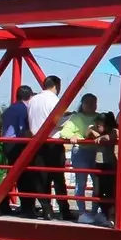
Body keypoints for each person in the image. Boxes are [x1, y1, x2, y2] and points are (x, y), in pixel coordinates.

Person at [26, 75, 73, 221]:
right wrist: (69, 117)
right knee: (58, 178)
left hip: (36, 141)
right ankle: (64, 210)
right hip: (53, 141)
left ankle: (47, 209)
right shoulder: (54, 100)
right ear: (56, 86)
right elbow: (58, 122)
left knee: (41, 177)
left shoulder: (33, 100)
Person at [58, 93, 100, 221]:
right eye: (87, 103)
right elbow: (64, 131)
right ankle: (82, 212)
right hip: (81, 151)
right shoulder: (76, 117)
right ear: (82, 104)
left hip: (96, 153)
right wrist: (73, 136)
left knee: (97, 183)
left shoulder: (99, 117)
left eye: (93, 102)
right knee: (80, 183)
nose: (91, 105)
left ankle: (94, 210)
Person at [0, 86, 33, 217]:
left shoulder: (11, 108)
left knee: (11, 175)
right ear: (30, 96)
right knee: (23, 176)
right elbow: (22, 130)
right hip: (17, 143)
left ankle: (3, 204)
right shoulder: (24, 110)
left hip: (7, 142)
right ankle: (26, 207)